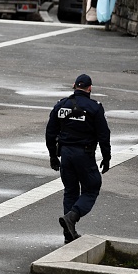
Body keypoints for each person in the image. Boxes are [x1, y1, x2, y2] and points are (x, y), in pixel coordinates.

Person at [45, 74, 111, 244]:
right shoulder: (94, 108)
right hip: (85, 155)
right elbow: (104, 135)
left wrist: (53, 155)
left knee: (70, 191)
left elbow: (50, 132)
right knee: (91, 188)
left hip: (66, 154)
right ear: (90, 88)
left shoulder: (61, 106)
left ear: (74, 85)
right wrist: (106, 156)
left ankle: (68, 234)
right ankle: (72, 218)